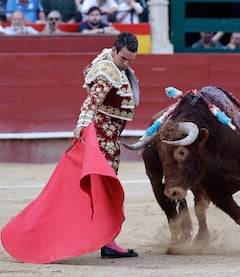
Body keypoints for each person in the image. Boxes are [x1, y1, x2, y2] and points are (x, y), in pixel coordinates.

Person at [73, 32, 140, 258]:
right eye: (124, 59)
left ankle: (105, 239)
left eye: (131, 60)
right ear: (114, 51)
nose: (126, 64)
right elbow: (92, 100)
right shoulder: (108, 69)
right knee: (106, 187)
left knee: (104, 187)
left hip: (109, 135)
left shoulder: (110, 62)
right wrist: (82, 124)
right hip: (104, 137)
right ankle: (107, 241)